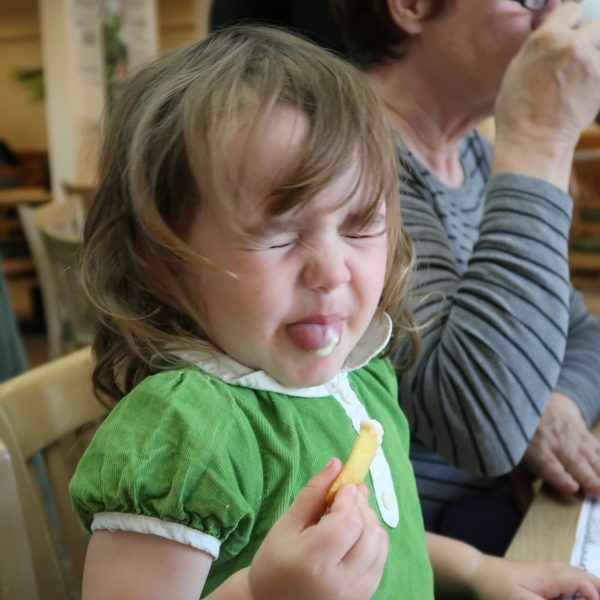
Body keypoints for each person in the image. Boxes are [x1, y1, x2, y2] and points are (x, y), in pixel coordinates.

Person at [68, 25, 600, 599]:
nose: (331, 270)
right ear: (160, 258)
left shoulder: (360, 374)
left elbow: (382, 531)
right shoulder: (184, 432)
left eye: (359, 224)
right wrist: (264, 595)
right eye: (279, 233)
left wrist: (475, 570)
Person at [329, 0, 600, 555]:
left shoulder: (473, 154)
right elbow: (483, 427)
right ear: (411, 7)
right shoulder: (349, 164)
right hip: (407, 549)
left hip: (502, 517)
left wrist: (555, 405)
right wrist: (541, 137)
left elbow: (583, 334)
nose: (558, 17)